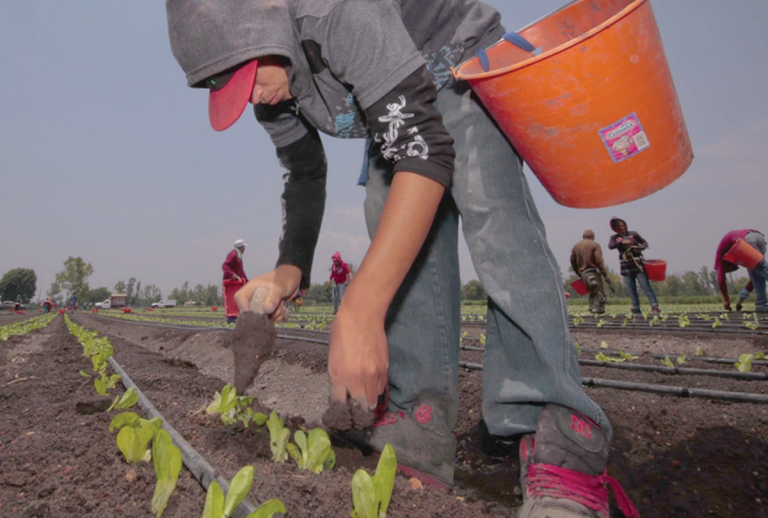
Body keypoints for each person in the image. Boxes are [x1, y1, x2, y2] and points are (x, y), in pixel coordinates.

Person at [167, 2, 638, 517]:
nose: (255, 97)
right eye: (233, 93)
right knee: (389, 220)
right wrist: (288, 271)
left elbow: (427, 149)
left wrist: (361, 310)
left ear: (262, 29)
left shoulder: (334, 14)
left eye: (248, 79)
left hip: (450, 61)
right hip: (390, 107)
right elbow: (304, 176)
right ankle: (421, 416)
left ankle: (558, 424)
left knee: (492, 213)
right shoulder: (273, 94)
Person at [608, 217, 660, 317]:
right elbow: (610, 246)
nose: (621, 228)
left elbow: (644, 243)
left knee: (645, 286)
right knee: (631, 289)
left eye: (623, 225)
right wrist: (622, 242)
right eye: (619, 226)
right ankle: (636, 309)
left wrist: (639, 247)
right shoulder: (614, 238)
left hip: (637, 263)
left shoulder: (633, 234)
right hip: (625, 265)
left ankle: (654, 307)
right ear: (616, 228)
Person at [714, 229, 768, 313]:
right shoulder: (729, 245)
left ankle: (761, 304)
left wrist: (726, 300)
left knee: (764, 270)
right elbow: (753, 280)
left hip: (747, 240)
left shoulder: (720, 254)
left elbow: (721, 280)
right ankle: (761, 304)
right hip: (759, 237)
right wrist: (742, 296)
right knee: (758, 272)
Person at [570, 229, 611, 315]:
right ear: (592, 237)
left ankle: (591, 309)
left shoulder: (576, 246)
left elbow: (572, 260)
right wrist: (605, 274)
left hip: (583, 273)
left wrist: (578, 272)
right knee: (598, 292)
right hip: (593, 272)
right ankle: (595, 310)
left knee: (592, 292)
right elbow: (599, 260)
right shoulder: (595, 245)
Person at [222, 239, 249, 324]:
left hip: (237, 283)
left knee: (238, 301)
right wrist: (233, 275)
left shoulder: (238, 256)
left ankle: (234, 319)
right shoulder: (233, 254)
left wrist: (247, 282)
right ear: (240, 247)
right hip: (231, 283)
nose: (244, 249)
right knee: (232, 301)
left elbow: (240, 271)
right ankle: (230, 320)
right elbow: (225, 266)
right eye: (244, 247)